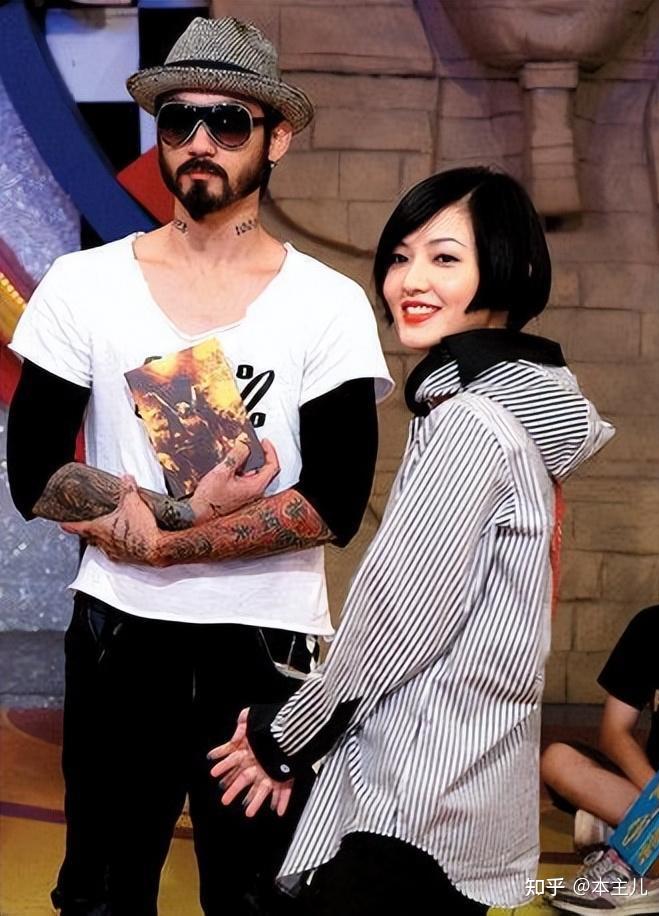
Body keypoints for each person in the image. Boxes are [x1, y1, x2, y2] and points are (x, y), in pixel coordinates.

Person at [87, 166, 614, 914]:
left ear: (514, 268)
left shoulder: (470, 425)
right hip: (467, 785)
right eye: (399, 257)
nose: (409, 280)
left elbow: (402, 618)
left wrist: (284, 736)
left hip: (414, 795)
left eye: (444, 257)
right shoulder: (508, 415)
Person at [7, 16, 391, 916]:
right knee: (101, 895)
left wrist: (168, 537)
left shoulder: (328, 305)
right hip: (118, 635)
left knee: (256, 898)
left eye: (228, 121)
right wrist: (183, 516)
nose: (200, 142)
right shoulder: (83, 284)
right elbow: (34, 471)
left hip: (265, 648)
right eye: (179, 120)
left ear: (276, 137)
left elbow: (333, 501)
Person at [542, 603, 659, 914]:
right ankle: (643, 842)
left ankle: (633, 856)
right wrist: (658, 794)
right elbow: (614, 732)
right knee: (559, 760)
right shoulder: (651, 625)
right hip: (648, 791)